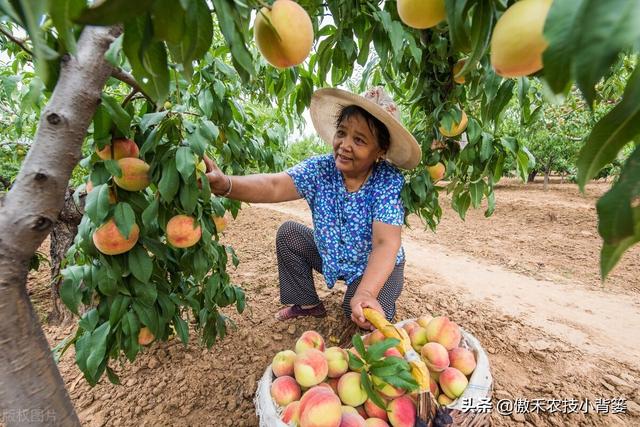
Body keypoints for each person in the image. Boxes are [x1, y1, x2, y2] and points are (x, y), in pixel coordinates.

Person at [204, 87, 421, 329]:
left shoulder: (387, 181)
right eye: (342, 133)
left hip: (374, 268)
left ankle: (366, 295)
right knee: (290, 234)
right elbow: (275, 185)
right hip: (333, 257)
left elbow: (385, 244)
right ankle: (307, 303)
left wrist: (366, 292)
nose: (344, 145)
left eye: (359, 140)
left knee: (361, 316)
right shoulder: (321, 169)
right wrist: (226, 185)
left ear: (379, 151)